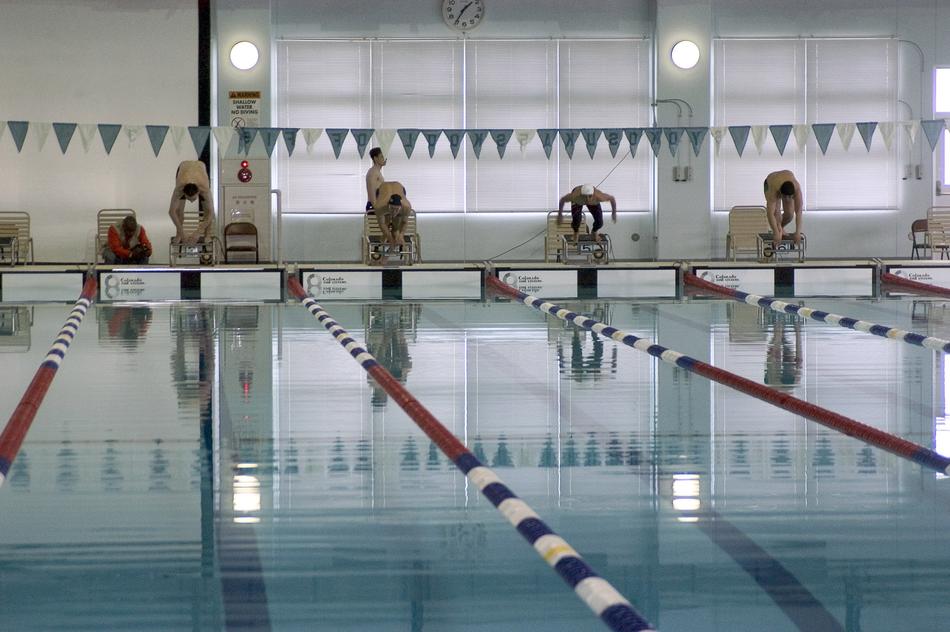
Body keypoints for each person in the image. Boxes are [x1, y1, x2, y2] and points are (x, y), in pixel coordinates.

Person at [168, 160, 215, 244]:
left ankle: (207, 235)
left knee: (207, 210)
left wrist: (198, 232)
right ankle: (179, 235)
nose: (191, 201)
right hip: (183, 168)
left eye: (193, 198)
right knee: (179, 210)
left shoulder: (204, 188)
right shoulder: (179, 188)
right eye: (188, 199)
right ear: (183, 193)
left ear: (198, 192)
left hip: (201, 169)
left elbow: (211, 212)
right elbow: (172, 212)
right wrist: (182, 232)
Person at [763, 169, 803, 250]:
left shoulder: (797, 189)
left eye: (789, 197)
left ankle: (779, 227)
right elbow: (770, 213)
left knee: (790, 215)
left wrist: (798, 232)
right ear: (780, 193)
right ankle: (778, 229)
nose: (787, 199)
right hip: (770, 181)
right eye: (784, 197)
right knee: (776, 212)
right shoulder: (774, 190)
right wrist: (775, 232)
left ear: (793, 194)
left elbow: (798, 212)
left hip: (787, 183)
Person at [373, 181, 412, 248]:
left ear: (401, 206)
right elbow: (382, 224)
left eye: (396, 209)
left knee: (397, 221)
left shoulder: (406, 207)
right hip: (382, 189)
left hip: (399, 187)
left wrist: (401, 235)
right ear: (388, 205)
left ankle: (395, 232)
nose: (394, 212)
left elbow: (404, 222)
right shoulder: (380, 206)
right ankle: (385, 238)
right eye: (392, 208)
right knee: (386, 221)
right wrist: (390, 238)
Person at [365, 147, 386, 212]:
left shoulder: (377, 171)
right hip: (374, 206)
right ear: (375, 158)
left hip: (378, 205)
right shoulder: (373, 172)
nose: (384, 159)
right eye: (382, 157)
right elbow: (371, 193)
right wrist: (376, 208)